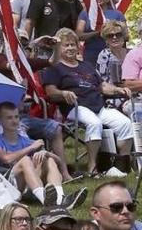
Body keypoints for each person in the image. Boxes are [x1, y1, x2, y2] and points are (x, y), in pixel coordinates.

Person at [42, 28, 133, 177]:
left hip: (98, 106)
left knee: (124, 123)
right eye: (66, 45)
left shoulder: (86, 66)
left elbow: (102, 86)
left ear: (78, 46)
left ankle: (122, 165)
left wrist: (117, 90)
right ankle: (92, 168)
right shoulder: (55, 68)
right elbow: (51, 92)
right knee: (94, 123)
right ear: (60, 48)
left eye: (73, 44)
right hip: (75, 107)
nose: (71, 48)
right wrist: (63, 93)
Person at [0, 102, 85, 208]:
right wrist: (31, 148)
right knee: (25, 160)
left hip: (29, 185)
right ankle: (48, 203)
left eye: (16, 117)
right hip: (7, 186)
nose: (14, 120)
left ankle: (61, 199)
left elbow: (58, 161)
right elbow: (6, 158)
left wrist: (46, 153)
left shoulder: (26, 141)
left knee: (49, 160)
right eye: (9, 118)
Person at [77, 0, 126, 67]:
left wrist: (111, 31)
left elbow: (126, 35)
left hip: (114, 54)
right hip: (91, 55)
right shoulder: (85, 13)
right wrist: (97, 32)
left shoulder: (117, 14)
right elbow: (78, 35)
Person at [95, 20, 130, 111]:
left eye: (118, 34)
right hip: (115, 97)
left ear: (123, 36)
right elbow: (106, 83)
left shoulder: (131, 53)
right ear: (106, 39)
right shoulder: (105, 55)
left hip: (135, 93)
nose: (114, 37)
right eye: (110, 35)